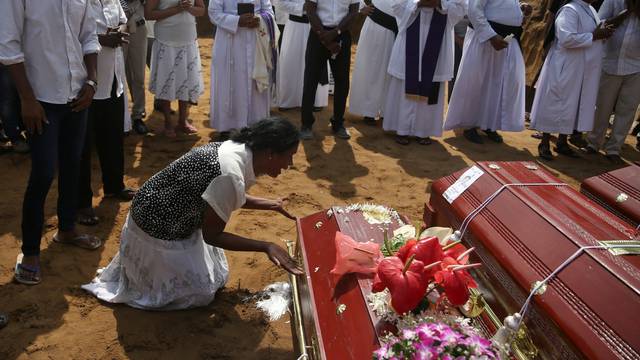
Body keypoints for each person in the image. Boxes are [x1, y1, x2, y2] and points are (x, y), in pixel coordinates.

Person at [82, 117, 303, 310]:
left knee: (214, 274)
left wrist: (270, 204)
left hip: (152, 212)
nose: (290, 164)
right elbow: (212, 235)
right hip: (156, 228)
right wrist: (265, 246)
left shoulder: (236, 150)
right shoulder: (230, 174)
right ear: (271, 153)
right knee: (201, 294)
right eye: (289, 157)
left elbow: (219, 195)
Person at [0, 0, 102, 285]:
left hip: (78, 95)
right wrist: (27, 99)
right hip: (41, 99)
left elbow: (89, 35)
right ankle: (30, 251)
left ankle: (67, 229)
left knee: (72, 165)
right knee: (44, 173)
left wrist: (92, 81)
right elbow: (8, 45)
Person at [77, 0, 138, 226]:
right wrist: (103, 39)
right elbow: (72, 35)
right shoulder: (79, 3)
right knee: (83, 146)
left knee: (113, 137)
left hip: (113, 78)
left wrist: (118, 33)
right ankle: (82, 203)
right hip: (86, 83)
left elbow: (123, 21)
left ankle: (114, 186)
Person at [531, 0, 614, 160]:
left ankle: (562, 142)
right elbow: (566, 38)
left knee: (572, 104)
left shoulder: (590, 10)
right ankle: (545, 143)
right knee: (555, 101)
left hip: (580, 67)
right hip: (565, 65)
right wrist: (595, 35)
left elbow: (591, 34)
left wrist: (602, 33)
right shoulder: (570, 10)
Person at [444, 0, 532, 144]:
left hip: (507, 39)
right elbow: (475, 10)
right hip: (485, 39)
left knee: (498, 83)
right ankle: (469, 124)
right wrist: (491, 36)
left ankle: (489, 124)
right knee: (476, 81)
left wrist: (519, 8)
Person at [383, 0, 465, 145]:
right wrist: (418, 3)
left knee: (431, 82)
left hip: (438, 38)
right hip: (412, 31)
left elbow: (461, 7)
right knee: (405, 82)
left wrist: (440, 3)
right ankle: (402, 129)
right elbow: (396, 5)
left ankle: (423, 131)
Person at [208, 0, 277, 136]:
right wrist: (237, 21)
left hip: (255, 40)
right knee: (229, 81)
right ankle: (228, 127)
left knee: (255, 82)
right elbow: (213, 13)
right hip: (229, 41)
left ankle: (256, 125)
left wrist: (258, 19)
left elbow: (268, 11)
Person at [585, 0, 640, 163]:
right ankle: (593, 143)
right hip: (610, 61)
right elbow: (600, 24)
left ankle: (614, 149)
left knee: (627, 109)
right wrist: (627, 13)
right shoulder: (613, 1)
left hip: (637, 65)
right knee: (602, 105)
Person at [299, 0, 360, 140]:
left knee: (342, 82)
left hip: (342, 35)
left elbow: (353, 12)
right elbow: (310, 11)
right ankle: (306, 124)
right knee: (310, 81)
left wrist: (335, 32)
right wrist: (325, 38)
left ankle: (338, 123)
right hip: (318, 33)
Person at [146, 0, 205, 137]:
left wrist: (189, 7)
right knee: (166, 79)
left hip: (188, 38)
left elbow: (201, 10)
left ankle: (182, 121)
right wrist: (177, 9)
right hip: (166, 39)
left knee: (185, 78)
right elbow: (148, 14)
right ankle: (167, 123)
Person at [348, 0, 399, 126]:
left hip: (398, 28)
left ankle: (386, 111)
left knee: (391, 72)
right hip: (376, 27)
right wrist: (361, 7)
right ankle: (368, 110)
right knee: (372, 69)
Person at [275, 0, 330, 110]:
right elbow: (280, 3)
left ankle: (316, 101)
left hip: (318, 26)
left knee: (316, 62)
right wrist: (303, 7)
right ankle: (289, 100)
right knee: (291, 63)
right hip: (296, 27)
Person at [123, 0, 151, 135]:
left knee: (138, 75)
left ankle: (138, 115)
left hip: (138, 28)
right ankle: (122, 118)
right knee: (119, 76)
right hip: (117, 29)